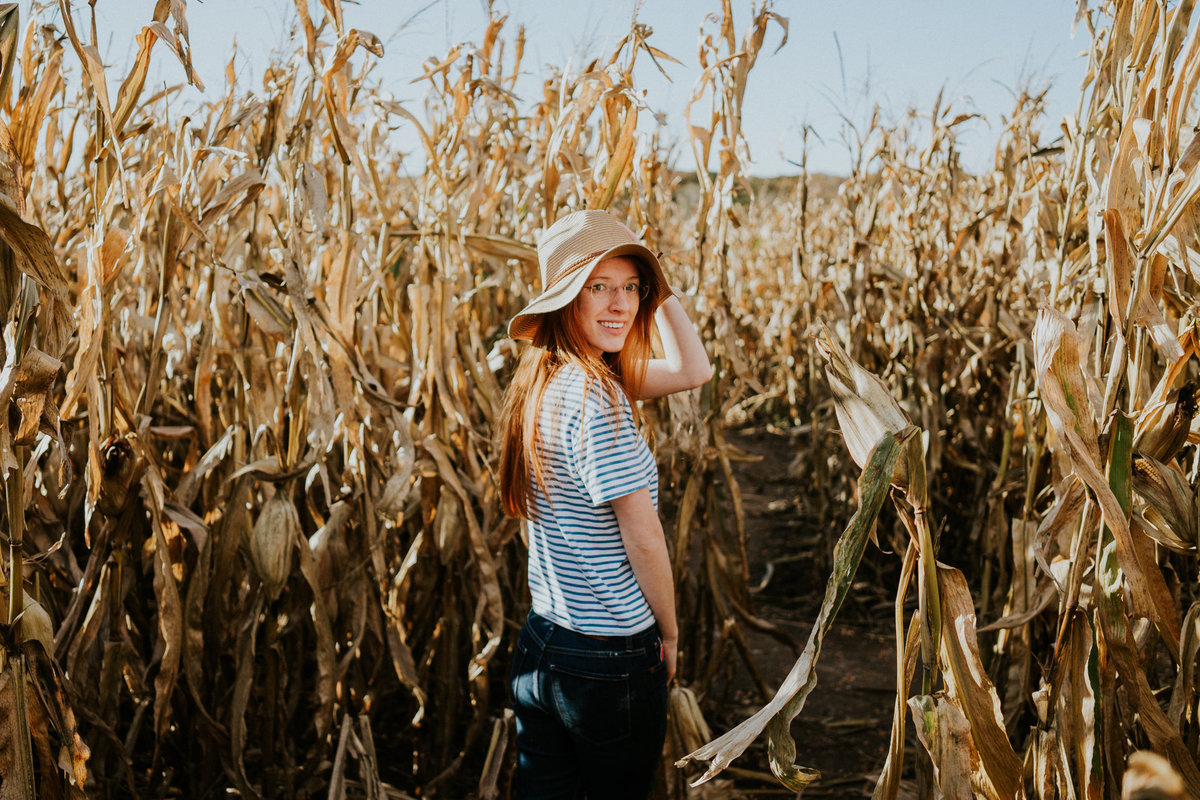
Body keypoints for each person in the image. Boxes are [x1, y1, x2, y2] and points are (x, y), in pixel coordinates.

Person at [499, 209, 712, 799]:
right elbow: (644, 539)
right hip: (607, 656)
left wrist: (658, 283)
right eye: (598, 287)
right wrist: (667, 635)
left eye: (631, 287)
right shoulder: (602, 400)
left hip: (543, 644)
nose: (621, 304)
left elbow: (695, 369)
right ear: (565, 300)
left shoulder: (549, 379)